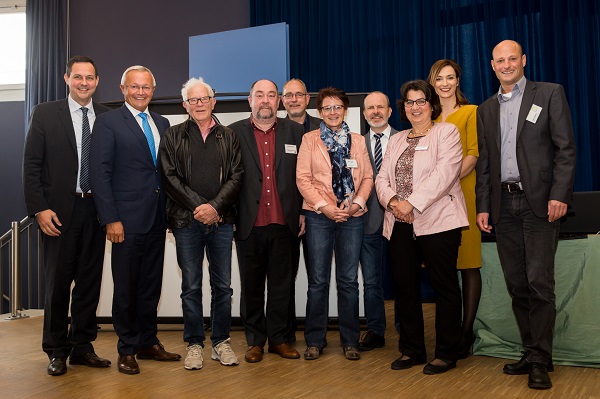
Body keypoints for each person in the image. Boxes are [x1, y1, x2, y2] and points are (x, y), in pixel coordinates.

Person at [476, 40, 576, 390]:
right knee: (517, 285)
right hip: (503, 207)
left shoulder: (549, 94)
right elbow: (485, 163)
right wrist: (483, 205)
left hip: (540, 205)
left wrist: (559, 194)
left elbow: (566, 149)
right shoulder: (486, 109)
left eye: (512, 59)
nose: (506, 65)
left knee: (539, 283)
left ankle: (539, 360)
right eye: (500, 60)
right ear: (492, 65)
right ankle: (533, 350)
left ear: (523, 60)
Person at [23, 56, 112, 376]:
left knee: (89, 283)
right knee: (58, 284)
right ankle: (57, 349)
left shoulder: (107, 117)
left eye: (90, 77)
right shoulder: (45, 113)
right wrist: (39, 209)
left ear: (97, 81)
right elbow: (31, 165)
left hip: (96, 211)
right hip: (57, 213)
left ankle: (82, 347)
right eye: (78, 77)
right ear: (67, 79)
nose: (84, 83)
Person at [90, 65, 181, 374]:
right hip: (125, 222)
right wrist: (110, 219)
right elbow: (99, 175)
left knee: (150, 286)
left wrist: (171, 212)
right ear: (123, 89)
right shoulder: (107, 123)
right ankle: (127, 348)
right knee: (127, 288)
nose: (140, 92)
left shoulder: (162, 122)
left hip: (157, 218)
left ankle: (147, 341)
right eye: (134, 87)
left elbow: (165, 173)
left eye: (146, 87)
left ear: (153, 90)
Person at [375, 80, 468, 375]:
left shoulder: (447, 133)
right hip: (399, 223)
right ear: (403, 108)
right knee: (404, 288)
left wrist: (411, 204)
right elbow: (380, 180)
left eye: (421, 101)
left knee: (445, 287)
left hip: (438, 221)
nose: (415, 107)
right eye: (410, 102)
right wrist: (393, 203)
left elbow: (444, 174)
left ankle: (446, 353)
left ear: (431, 104)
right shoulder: (396, 139)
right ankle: (412, 350)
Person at [160, 77, 243, 370]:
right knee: (191, 287)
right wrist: (200, 206)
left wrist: (215, 207)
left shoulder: (229, 137)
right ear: (185, 105)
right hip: (186, 222)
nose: (199, 104)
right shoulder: (172, 136)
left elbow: (237, 176)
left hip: (221, 222)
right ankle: (195, 344)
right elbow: (169, 178)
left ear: (213, 102)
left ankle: (220, 342)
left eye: (203, 99)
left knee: (223, 287)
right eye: (193, 100)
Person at [228, 79, 304, 363]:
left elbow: (304, 178)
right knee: (251, 286)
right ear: (250, 100)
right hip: (248, 222)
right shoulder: (233, 133)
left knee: (281, 285)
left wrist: (304, 212)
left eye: (271, 95)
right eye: (259, 95)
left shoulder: (296, 133)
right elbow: (227, 178)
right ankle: (255, 341)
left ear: (279, 101)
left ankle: (279, 339)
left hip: (285, 223)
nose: (265, 100)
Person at [297, 87, 373, 361]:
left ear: (345, 110)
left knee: (348, 281)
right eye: (327, 108)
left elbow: (367, 178)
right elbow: (303, 179)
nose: (332, 112)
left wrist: (356, 204)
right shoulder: (309, 139)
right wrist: (326, 207)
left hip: (352, 216)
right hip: (319, 216)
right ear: (320, 112)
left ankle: (350, 341)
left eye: (337, 107)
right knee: (318, 281)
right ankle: (315, 340)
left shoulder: (358, 141)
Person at [428, 59, 481, 358]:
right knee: (443, 268)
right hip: (432, 202)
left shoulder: (471, 112)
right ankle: (447, 332)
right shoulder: (428, 117)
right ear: (432, 82)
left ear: (458, 80)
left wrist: (443, 182)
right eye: (439, 78)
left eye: (450, 77)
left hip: (464, 193)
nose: (445, 83)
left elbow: (473, 154)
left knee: (469, 263)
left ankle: (466, 332)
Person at [281, 78, 322, 343]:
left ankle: (315, 336)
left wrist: (309, 210)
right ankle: (285, 335)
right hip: (284, 217)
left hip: (318, 215)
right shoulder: (274, 128)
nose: (294, 99)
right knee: (284, 278)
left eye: (299, 95)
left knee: (318, 279)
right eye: (288, 95)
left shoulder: (323, 128)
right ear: (282, 100)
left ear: (308, 99)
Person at [357, 91, 397, 351]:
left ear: (390, 111)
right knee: (371, 281)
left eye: (380, 107)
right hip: (369, 222)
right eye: (370, 108)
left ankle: (408, 330)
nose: (375, 112)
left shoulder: (405, 139)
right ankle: (376, 331)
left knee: (405, 278)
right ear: (364, 114)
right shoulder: (356, 143)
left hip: (402, 222)